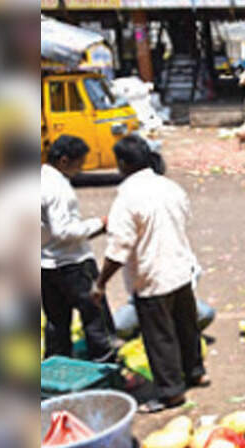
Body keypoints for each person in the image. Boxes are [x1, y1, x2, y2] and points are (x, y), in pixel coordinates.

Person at [91, 135, 208, 413]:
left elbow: (119, 247)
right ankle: (196, 372)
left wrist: (100, 283)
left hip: (152, 277)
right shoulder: (169, 187)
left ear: (123, 163)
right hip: (180, 270)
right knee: (186, 327)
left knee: (159, 338)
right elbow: (183, 218)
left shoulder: (127, 197)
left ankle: (171, 392)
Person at [41, 135, 115, 362]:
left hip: (45, 263)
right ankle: (104, 363)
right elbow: (64, 231)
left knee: (56, 321)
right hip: (72, 263)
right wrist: (100, 224)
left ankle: (57, 365)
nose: (81, 168)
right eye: (79, 162)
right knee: (95, 316)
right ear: (64, 160)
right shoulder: (58, 188)